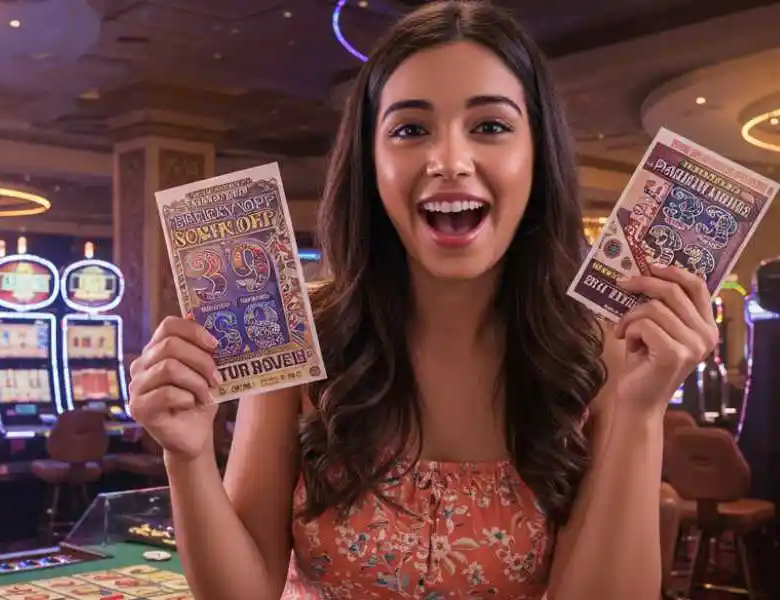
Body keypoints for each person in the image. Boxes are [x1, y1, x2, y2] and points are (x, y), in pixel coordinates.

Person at [127, 2, 718, 599]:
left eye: (490, 126)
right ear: (371, 161)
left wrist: (643, 412)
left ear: (536, 155)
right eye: (410, 129)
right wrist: (188, 454)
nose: (450, 162)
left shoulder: (603, 351)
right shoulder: (299, 332)